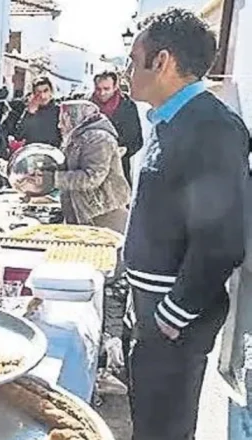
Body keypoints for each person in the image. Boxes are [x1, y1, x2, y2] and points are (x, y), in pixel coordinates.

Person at [124, 8, 249, 440]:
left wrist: (173, 313)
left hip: (174, 323)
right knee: (150, 424)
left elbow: (224, 239)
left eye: (132, 59)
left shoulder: (212, 127)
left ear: (161, 62)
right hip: (154, 312)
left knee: (164, 431)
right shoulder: (169, 120)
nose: (127, 71)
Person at [34, 101, 131, 233]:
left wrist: (53, 179)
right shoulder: (76, 138)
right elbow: (66, 169)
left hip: (103, 214)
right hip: (82, 212)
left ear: (76, 118)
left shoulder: (99, 139)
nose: (59, 125)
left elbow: (91, 178)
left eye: (63, 120)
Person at [91, 71, 144, 184]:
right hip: (91, 171)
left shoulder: (127, 107)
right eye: (98, 89)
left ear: (115, 87)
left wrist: (123, 151)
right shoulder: (87, 106)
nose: (102, 93)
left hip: (118, 172)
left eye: (106, 88)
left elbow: (136, 141)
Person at [16, 77, 62, 147]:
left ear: (51, 91)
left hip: (52, 153)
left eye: (45, 91)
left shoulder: (59, 111)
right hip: (33, 153)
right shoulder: (28, 111)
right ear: (34, 94)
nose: (42, 96)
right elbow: (19, 136)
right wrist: (30, 114)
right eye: (39, 92)